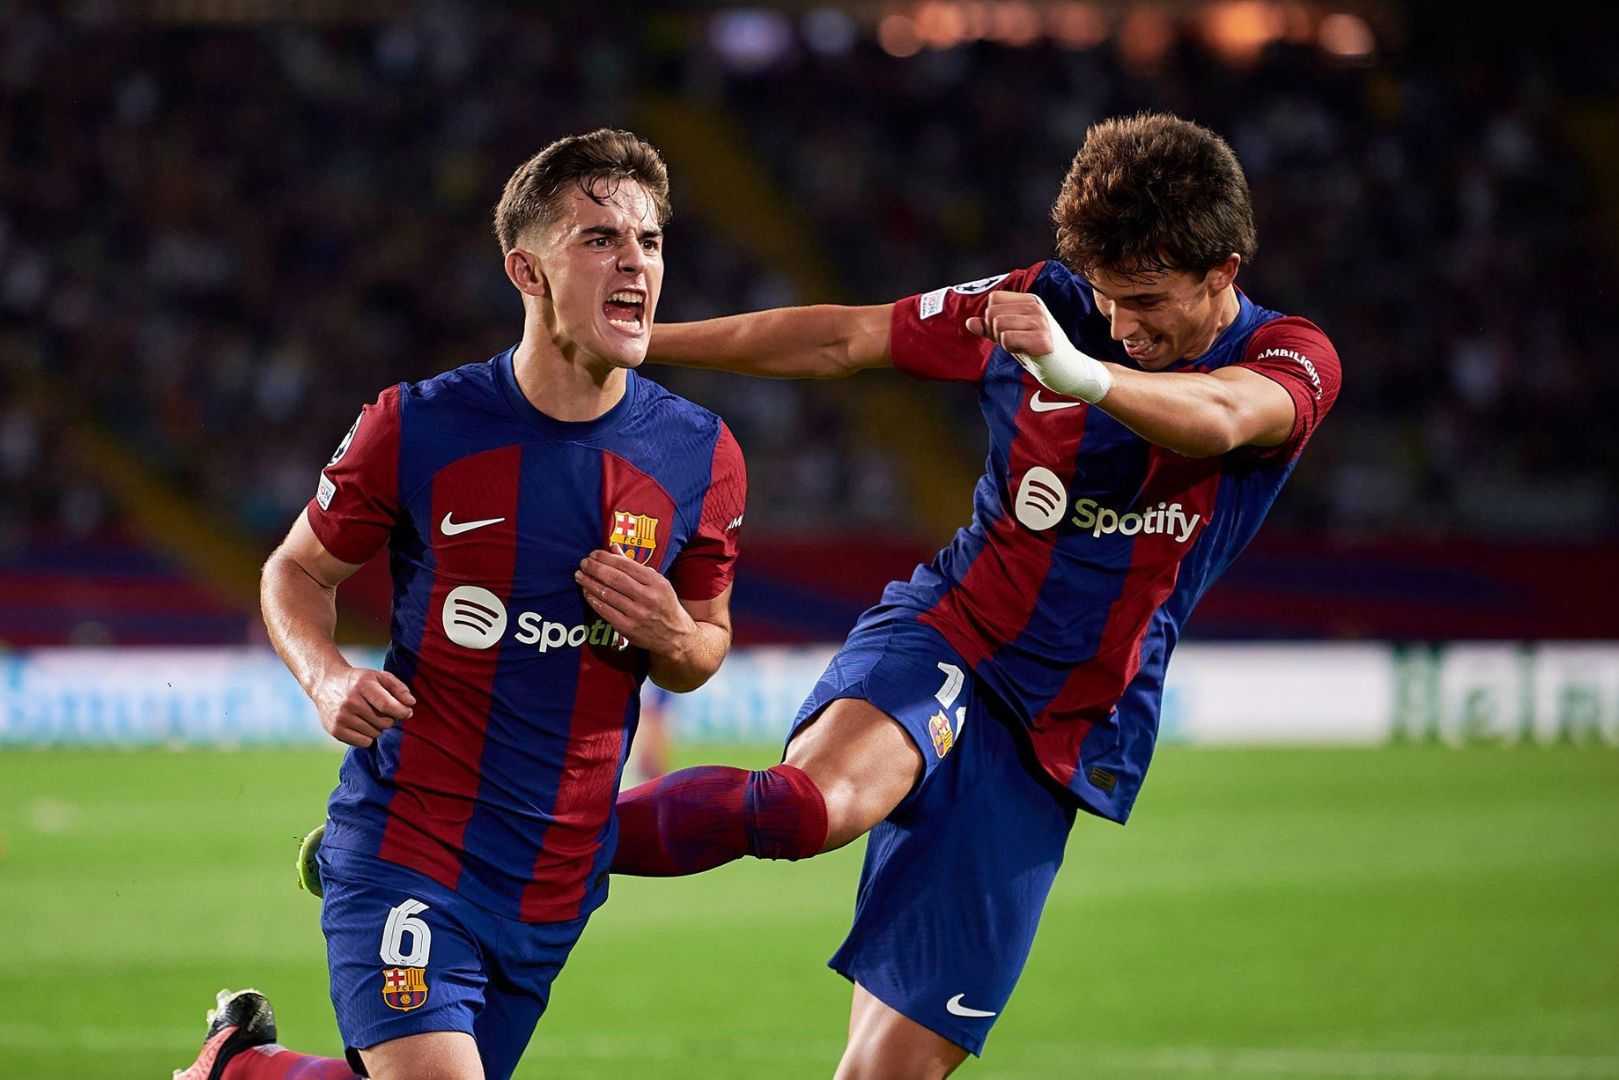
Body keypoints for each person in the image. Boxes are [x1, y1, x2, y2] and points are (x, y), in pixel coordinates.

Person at [609, 111, 1342, 1079]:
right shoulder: (1035, 304)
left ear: (1224, 271)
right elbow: (843, 340)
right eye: (1105, 299)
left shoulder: (1289, 356)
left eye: (1146, 300)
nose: (1122, 324)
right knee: (807, 809)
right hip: (952, 635)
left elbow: (1219, 418)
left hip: (1060, 732)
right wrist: (638, 343)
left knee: (886, 1073)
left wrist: (1081, 374)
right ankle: (498, 828)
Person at [174, 129, 747, 1080]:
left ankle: (238, 1068)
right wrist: (325, 682)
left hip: (553, 877)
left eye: (649, 241)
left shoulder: (700, 453)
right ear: (527, 269)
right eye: (600, 238)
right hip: (408, 841)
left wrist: (671, 632)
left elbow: (704, 650)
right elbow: (295, 572)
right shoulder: (419, 424)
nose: (636, 262)